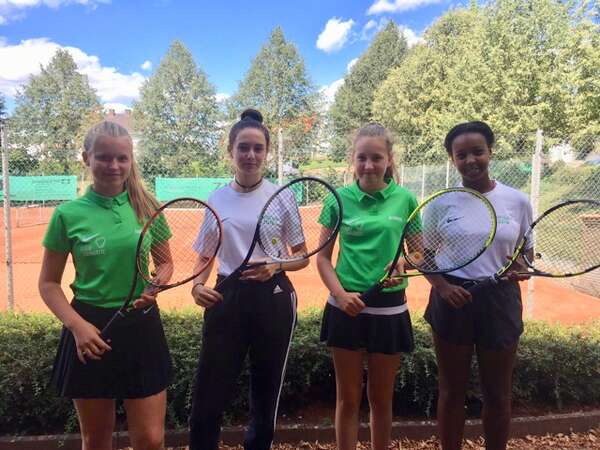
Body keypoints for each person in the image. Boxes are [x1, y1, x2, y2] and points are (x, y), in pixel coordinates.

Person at [38, 120, 173, 450]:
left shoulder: (148, 206)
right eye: (104, 157)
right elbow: (49, 283)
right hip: (90, 329)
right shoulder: (67, 215)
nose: (114, 165)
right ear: (87, 158)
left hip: (141, 325)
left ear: (131, 160)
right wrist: (78, 327)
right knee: (96, 440)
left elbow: (165, 263)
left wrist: (155, 285)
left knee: (151, 439)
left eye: (122, 158)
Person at [189, 108, 309, 450]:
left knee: (266, 392)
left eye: (258, 148)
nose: (251, 155)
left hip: (274, 297)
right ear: (231, 151)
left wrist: (277, 266)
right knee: (209, 391)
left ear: (267, 152)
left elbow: (302, 255)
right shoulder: (217, 198)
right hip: (227, 296)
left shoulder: (282, 195)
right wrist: (197, 286)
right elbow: (205, 254)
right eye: (243, 147)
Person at [424, 121, 533, 450]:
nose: (471, 160)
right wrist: (443, 288)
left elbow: (524, 254)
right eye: (461, 155)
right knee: (451, 392)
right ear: (452, 159)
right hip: (451, 297)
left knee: (498, 394)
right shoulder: (440, 203)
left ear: (490, 152)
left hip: (500, 300)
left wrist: (521, 269)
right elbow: (424, 256)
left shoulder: (517, 201)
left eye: (478, 152)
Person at [316, 123, 417, 450]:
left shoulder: (405, 199)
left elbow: (419, 253)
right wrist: (340, 295)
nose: (369, 165)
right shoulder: (338, 199)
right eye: (362, 158)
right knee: (347, 399)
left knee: (381, 399)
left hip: (390, 308)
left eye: (376, 158)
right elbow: (322, 259)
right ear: (353, 159)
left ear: (389, 159)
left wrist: (405, 263)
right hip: (345, 307)